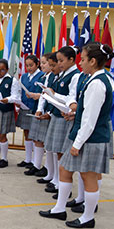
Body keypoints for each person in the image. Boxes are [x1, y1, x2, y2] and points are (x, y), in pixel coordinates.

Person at [39, 43, 114, 229]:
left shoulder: (97, 83)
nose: (81, 63)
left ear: (93, 61)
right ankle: (59, 209)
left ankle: (88, 217)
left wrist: (77, 143)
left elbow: (90, 119)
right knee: (65, 170)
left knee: (88, 177)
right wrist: (73, 113)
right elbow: (86, 110)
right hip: (86, 135)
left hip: (91, 138)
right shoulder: (94, 79)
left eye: (83, 59)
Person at [43, 46, 81, 196]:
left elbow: (72, 98)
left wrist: (54, 95)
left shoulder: (75, 76)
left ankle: (63, 184)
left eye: (61, 60)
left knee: (62, 153)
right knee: (56, 150)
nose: (59, 64)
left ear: (72, 60)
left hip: (66, 117)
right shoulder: (63, 74)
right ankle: (58, 181)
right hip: (58, 115)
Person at [30, 53, 57, 181]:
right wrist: (39, 109)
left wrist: (49, 112)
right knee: (39, 139)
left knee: (49, 144)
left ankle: (48, 170)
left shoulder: (54, 77)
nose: (43, 65)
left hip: (52, 113)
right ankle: (39, 166)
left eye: (45, 63)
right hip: (44, 111)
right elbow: (44, 94)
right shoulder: (47, 77)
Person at [16, 55, 44, 170]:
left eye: (31, 65)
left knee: (35, 135)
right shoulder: (24, 77)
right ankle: (28, 158)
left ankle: (35, 161)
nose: (29, 68)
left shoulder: (41, 76)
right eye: (27, 65)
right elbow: (20, 91)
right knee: (26, 133)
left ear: (37, 64)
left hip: (35, 108)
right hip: (25, 107)